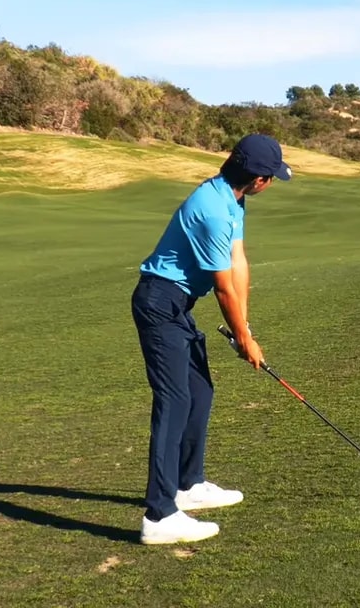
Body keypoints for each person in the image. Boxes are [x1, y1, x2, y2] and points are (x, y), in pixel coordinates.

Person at [130, 133, 292, 545]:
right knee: (175, 401)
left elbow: (238, 263)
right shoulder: (213, 211)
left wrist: (246, 331)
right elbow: (222, 287)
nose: (271, 184)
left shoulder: (232, 199)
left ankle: (189, 485)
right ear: (258, 179)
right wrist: (241, 336)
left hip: (177, 305)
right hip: (159, 301)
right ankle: (160, 514)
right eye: (271, 177)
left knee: (199, 392)